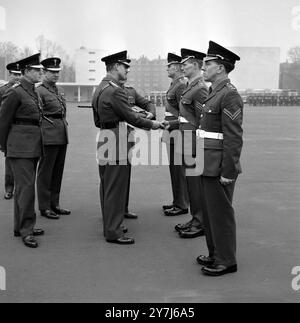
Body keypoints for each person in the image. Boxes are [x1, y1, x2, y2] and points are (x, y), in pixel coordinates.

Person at [92, 51, 164, 245]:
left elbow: (97, 119)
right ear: (116, 66)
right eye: (125, 67)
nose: (127, 70)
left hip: (105, 137)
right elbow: (131, 117)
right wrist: (153, 125)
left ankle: (110, 224)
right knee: (115, 187)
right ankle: (113, 232)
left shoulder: (100, 87)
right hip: (117, 139)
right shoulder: (115, 90)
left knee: (107, 185)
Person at [197, 41, 244, 276]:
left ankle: (227, 260)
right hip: (207, 163)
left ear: (221, 68)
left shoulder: (230, 95)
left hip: (219, 167)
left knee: (221, 215)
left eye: (208, 64)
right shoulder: (214, 92)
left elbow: (233, 137)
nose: (203, 68)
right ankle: (215, 253)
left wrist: (229, 171)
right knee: (210, 213)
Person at [0, 53, 46, 248]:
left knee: (23, 189)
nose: (40, 73)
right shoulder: (16, 92)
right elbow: (3, 121)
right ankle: (27, 229)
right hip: (20, 147)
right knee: (26, 189)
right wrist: (4, 147)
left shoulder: (32, 91)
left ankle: (21, 225)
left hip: (32, 145)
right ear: (26, 71)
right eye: (37, 71)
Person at [165, 49, 208, 239]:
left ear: (197, 65)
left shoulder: (200, 89)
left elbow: (203, 120)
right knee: (191, 184)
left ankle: (200, 222)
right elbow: (185, 118)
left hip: (194, 143)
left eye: (186, 63)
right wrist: (172, 124)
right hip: (185, 138)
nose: (182, 66)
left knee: (196, 184)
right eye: (181, 63)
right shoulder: (191, 86)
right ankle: (195, 218)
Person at [36, 57, 70, 220]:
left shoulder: (59, 90)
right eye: (52, 72)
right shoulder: (39, 91)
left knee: (57, 172)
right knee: (45, 172)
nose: (56, 75)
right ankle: (44, 206)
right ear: (43, 72)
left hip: (61, 133)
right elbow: (38, 115)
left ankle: (54, 204)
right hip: (48, 135)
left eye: (57, 72)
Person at [119, 79, 156, 220]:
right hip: (114, 136)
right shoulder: (109, 90)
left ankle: (123, 208)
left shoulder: (130, 90)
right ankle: (111, 211)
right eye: (124, 68)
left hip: (128, 136)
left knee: (124, 176)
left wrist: (150, 114)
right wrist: (150, 123)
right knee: (114, 178)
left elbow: (148, 103)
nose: (126, 72)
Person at [162, 53, 189, 217]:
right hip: (171, 131)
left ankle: (182, 204)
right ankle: (177, 200)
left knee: (179, 170)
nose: (167, 68)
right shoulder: (175, 85)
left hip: (177, 131)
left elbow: (184, 113)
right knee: (174, 169)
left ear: (179, 67)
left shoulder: (180, 86)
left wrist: (171, 124)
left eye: (170, 66)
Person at [0, 61, 22, 200]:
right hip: (9, 129)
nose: (17, 77)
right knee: (10, 161)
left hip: (22, 129)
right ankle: (9, 188)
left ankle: (21, 188)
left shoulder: (24, 89)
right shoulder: (3, 90)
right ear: (9, 74)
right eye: (15, 74)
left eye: (19, 74)